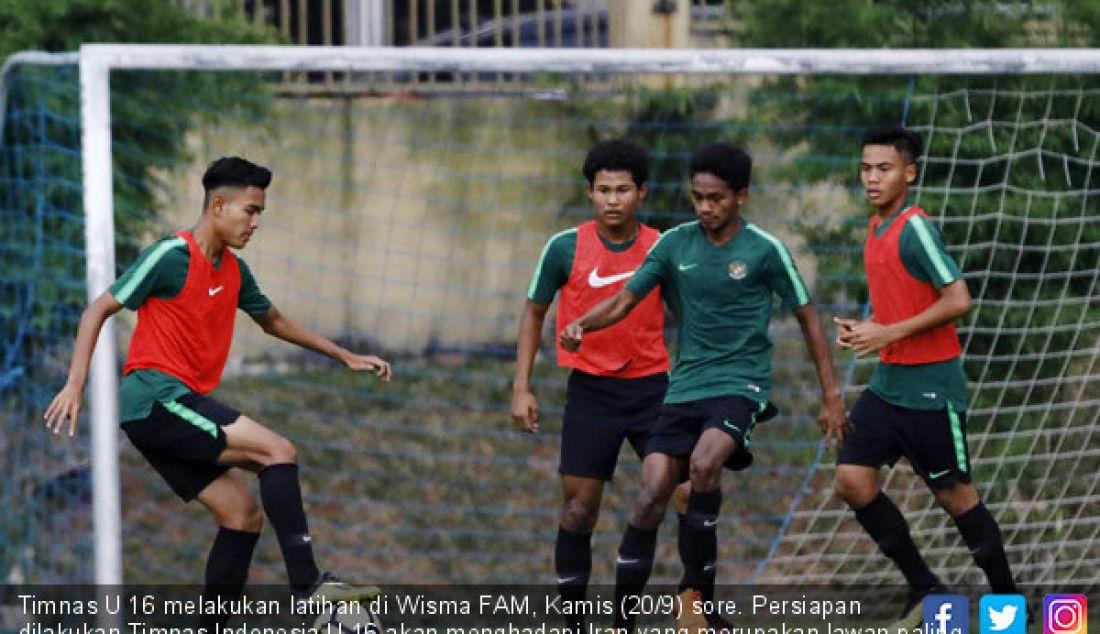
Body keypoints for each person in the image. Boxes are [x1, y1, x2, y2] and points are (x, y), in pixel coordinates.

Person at [43, 157, 391, 628]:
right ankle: (310, 588)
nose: (256, 222)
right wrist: (75, 382)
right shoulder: (170, 255)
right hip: (156, 400)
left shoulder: (235, 272)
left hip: (169, 410)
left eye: (260, 212)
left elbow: (274, 321)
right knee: (278, 451)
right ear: (219, 205)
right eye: (250, 210)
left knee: (242, 512)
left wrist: (343, 354)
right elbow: (98, 309)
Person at [561, 143, 846, 634]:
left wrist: (831, 395)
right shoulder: (673, 245)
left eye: (715, 198)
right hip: (686, 385)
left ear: (741, 197)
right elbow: (626, 299)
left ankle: (696, 604)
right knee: (651, 492)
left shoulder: (763, 249)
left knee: (703, 464)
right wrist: (583, 322)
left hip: (742, 384)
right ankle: (621, 624)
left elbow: (807, 316)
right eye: (697, 198)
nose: (705, 208)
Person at [834, 126, 1020, 625]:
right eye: (866, 169)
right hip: (889, 385)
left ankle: (1010, 604)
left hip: (931, 388)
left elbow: (958, 298)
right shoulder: (876, 228)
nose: (872, 178)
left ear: (908, 173)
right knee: (852, 479)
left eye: (884, 169)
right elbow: (900, 303)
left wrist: (887, 330)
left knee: (954, 497)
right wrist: (864, 332)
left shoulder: (915, 227)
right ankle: (924, 587)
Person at [513, 139, 687, 634]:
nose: (613, 199)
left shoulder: (662, 247)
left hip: (654, 389)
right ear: (590, 193)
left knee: (678, 493)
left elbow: (687, 315)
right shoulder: (564, 246)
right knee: (578, 508)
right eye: (603, 190)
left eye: (623, 190)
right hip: (591, 392)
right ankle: (574, 623)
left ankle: (650, 616)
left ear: (642, 193)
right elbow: (534, 312)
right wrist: (521, 387)